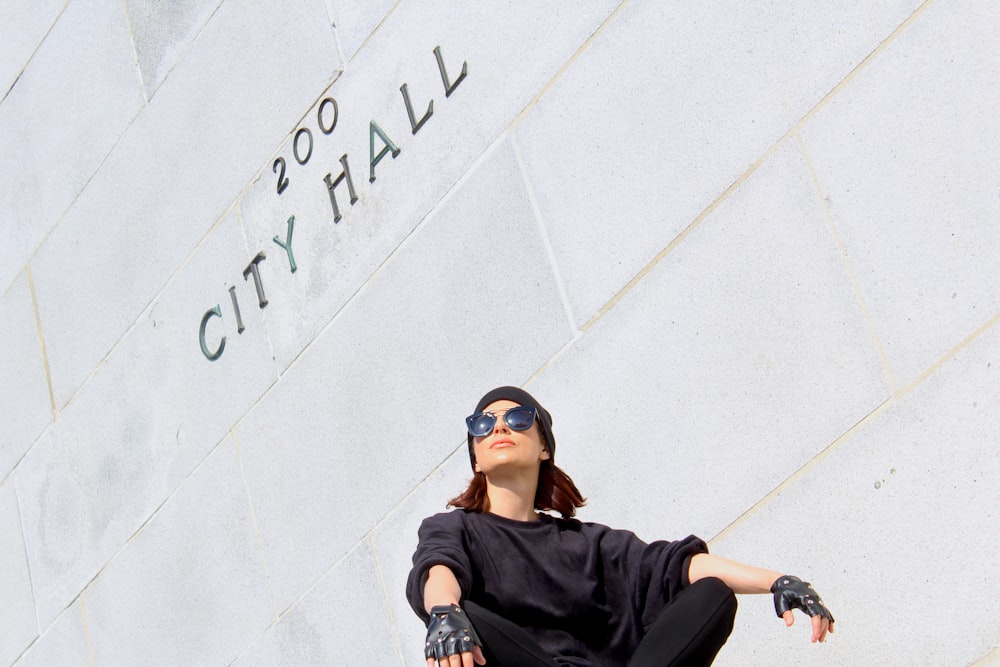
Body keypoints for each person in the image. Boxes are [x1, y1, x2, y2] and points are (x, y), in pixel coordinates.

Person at [406, 386, 835, 667]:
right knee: (467, 617)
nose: (499, 425)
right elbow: (438, 567)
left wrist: (779, 581)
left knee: (714, 594)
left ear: (543, 448)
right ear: (476, 458)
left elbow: (674, 566)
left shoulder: (589, 544)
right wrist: (445, 611)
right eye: (483, 424)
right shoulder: (455, 528)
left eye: (518, 419)